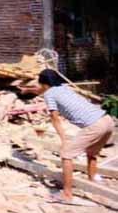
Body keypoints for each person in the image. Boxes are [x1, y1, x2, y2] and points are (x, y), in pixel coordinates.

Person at [33, 69, 114, 201]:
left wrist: (64, 139)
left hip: (95, 125)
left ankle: (66, 194)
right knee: (92, 152)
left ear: (43, 82)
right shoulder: (64, 88)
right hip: (107, 121)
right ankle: (92, 180)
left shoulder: (49, 94)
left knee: (66, 154)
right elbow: (40, 91)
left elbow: (54, 118)